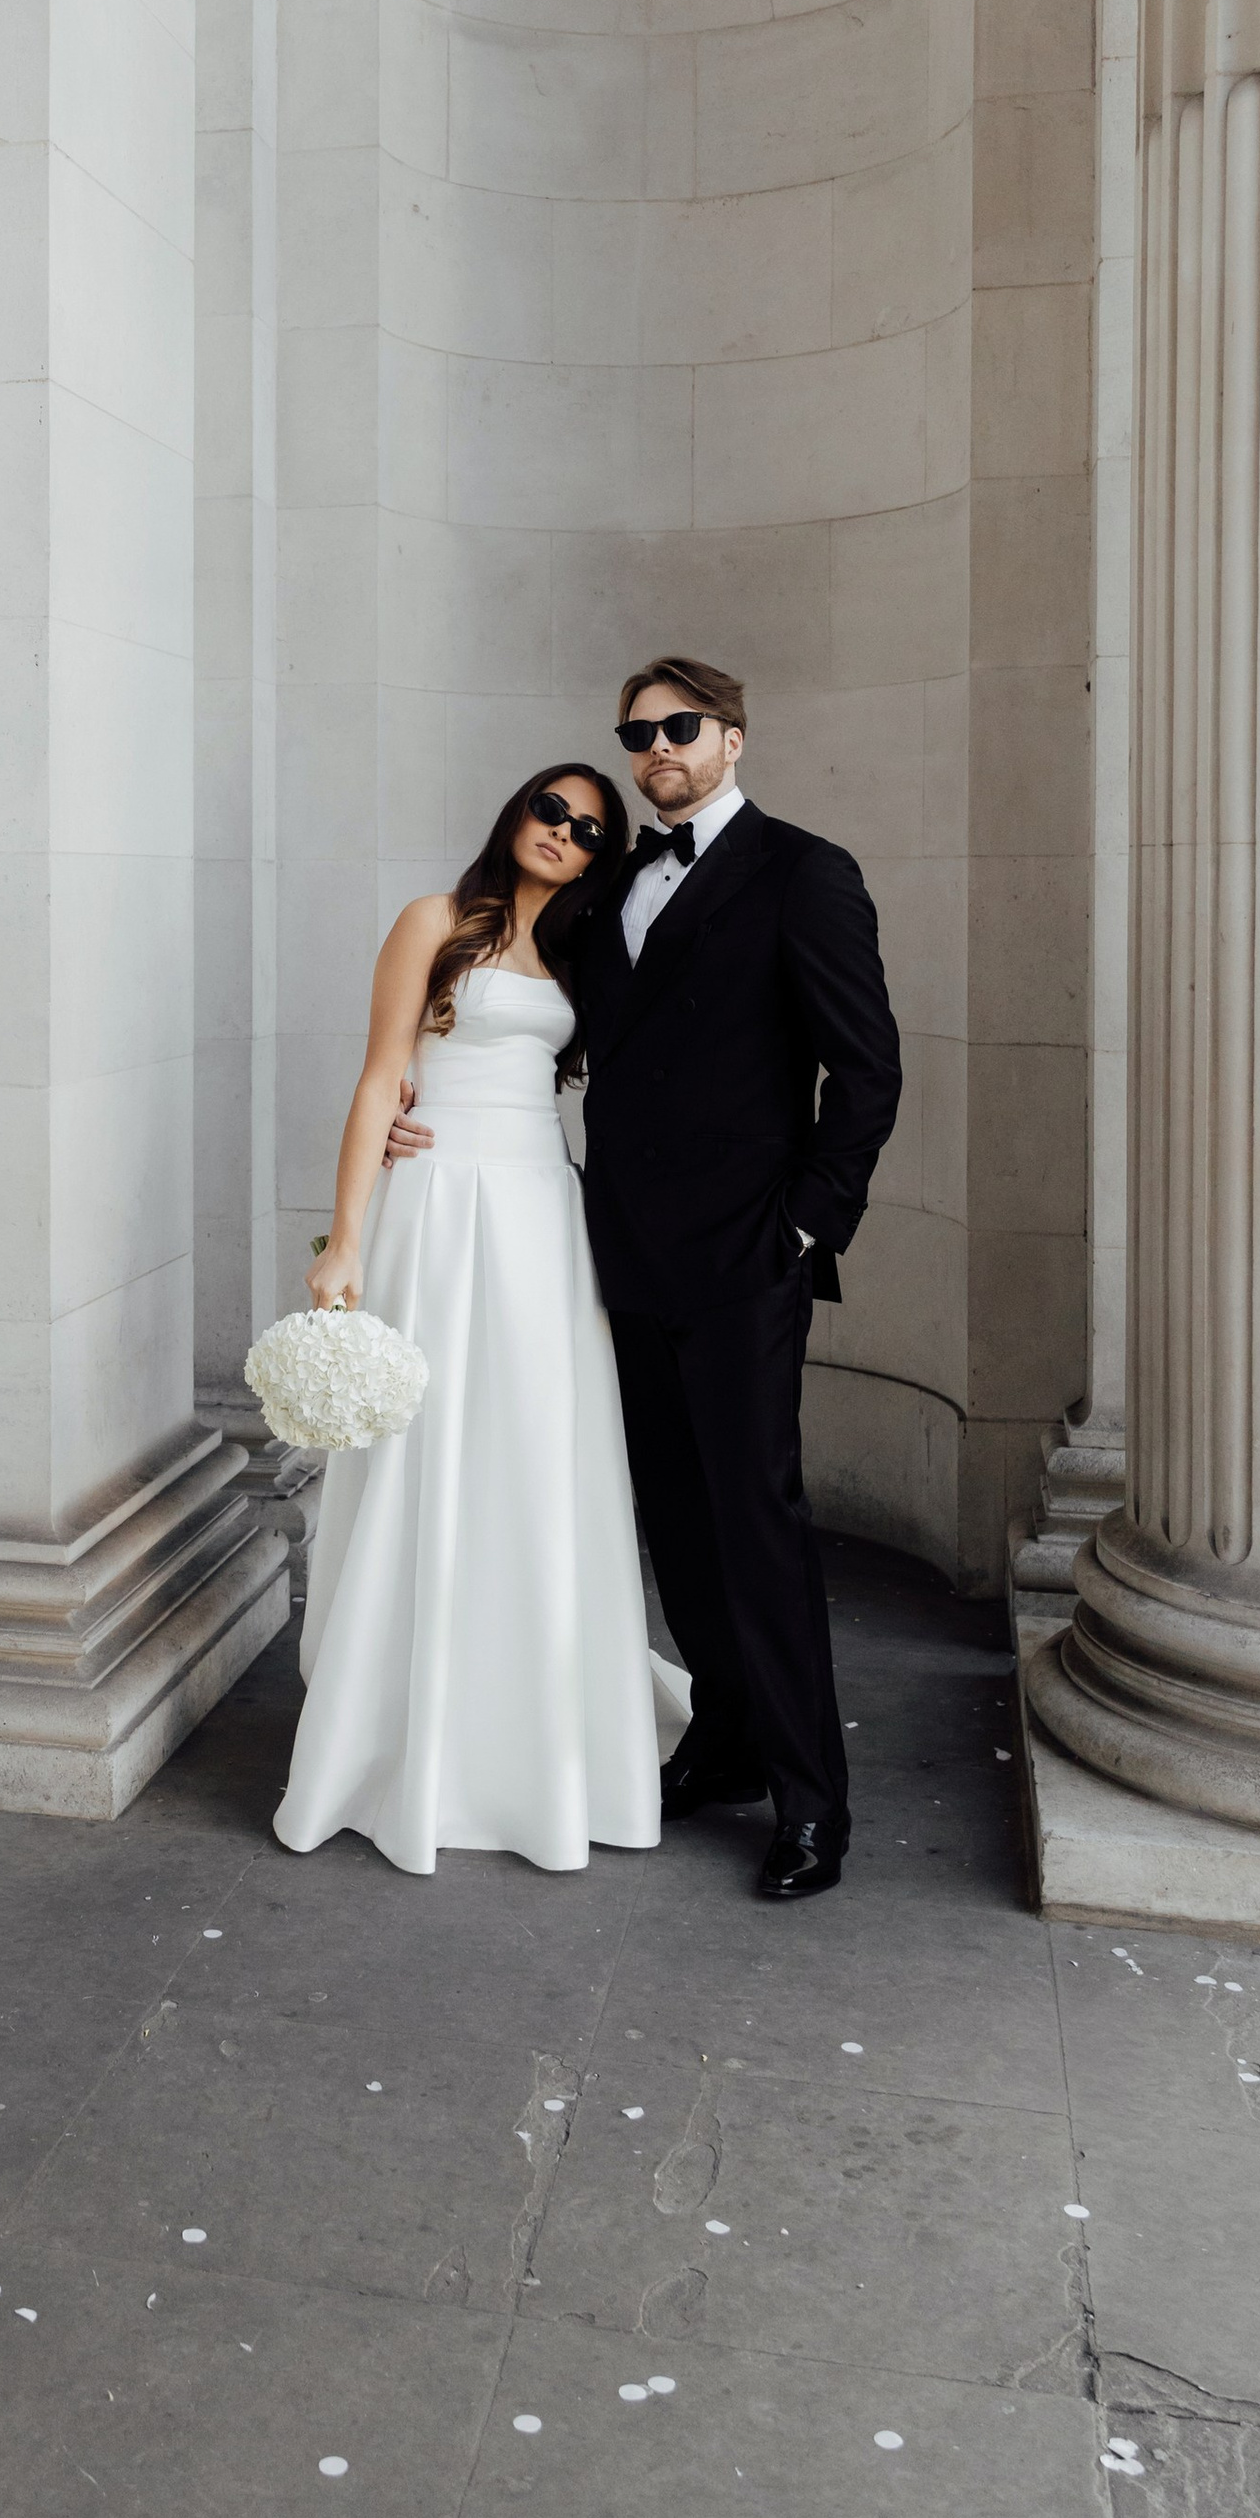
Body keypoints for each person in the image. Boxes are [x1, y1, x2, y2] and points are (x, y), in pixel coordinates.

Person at [390, 656, 902, 1902]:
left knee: (755, 1523)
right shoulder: (609, 881)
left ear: (731, 736)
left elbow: (867, 1069)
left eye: (679, 728)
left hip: (743, 1260)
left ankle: (809, 1805)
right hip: (611, 1254)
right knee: (674, 1522)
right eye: (636, 733)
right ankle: (721, 1742)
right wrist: (420, 1102)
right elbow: (505, 1005)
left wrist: (804, 1228)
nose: (654, 748)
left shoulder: (804, 872)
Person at [274, 765, 687, 1877]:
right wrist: (346, 1238)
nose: (564, 832)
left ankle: (536, 1731)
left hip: (541, 1214)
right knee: (425, 1448)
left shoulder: (594, 954)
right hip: (440, 1205)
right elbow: (378, 1082)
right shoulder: (435, 920)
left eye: (590, 829)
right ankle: (399, 1732)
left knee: (537, 1455)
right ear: (513, 813)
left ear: (605, 855)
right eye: (550, 810)